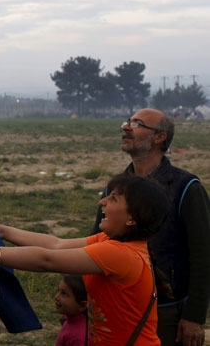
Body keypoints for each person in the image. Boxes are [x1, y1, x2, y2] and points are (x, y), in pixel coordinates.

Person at [0, 173, 171, 346]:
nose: (102, 201)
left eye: (113, 198)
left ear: (132, 218)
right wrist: (4, 232)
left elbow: (47, 260)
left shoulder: (118, 254)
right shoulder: (113, 241)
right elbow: (56, 244)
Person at [91, 109, 210, 346]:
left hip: (165, 311)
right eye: (127, 121)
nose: (126, 127)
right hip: (117, 306)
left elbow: (203, 254)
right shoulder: (116, 187)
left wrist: (194, 317)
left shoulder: (187, 187)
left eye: (137, 124)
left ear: (159, 137)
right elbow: (96, 242)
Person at [54, 274, 89, 346]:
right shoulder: (69, 318)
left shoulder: (78, 337)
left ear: (82, 305)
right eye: (58, 291)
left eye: (64, 294)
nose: (56, 297)